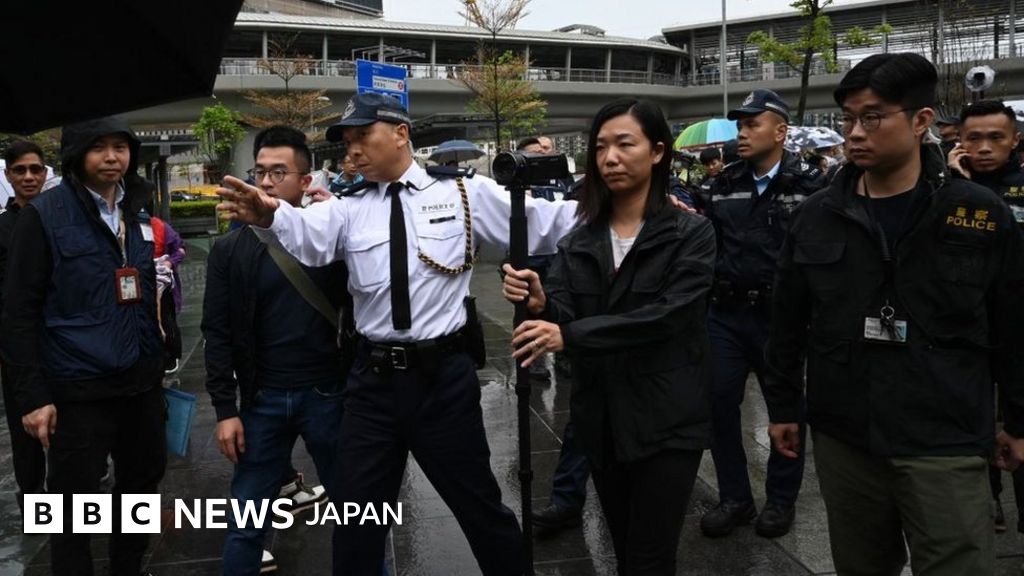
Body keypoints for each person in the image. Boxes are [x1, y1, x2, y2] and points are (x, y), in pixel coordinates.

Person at [216, 92, 579, 575]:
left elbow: (544, 223)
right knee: (356, 525)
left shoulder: (462, 192)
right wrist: (268, 215)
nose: (353, 150)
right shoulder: (346, 207)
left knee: (481, 510)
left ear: (401, 133)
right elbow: (306, 236)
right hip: (373, 387)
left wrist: (630, 207)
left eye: (363, 136)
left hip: (443, 381)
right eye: (347, 141)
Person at [765, 52, 1024, 575]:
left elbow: (1013, 323)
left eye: (872, 117)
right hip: (846, 433)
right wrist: (784, 406)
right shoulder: (817, 216)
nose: (855, 133)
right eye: (848, 119)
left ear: (921, 120)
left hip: (945, 434)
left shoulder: (977, 213)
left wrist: (1017, 419)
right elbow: (786, 320)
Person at [502, 98, 715, 575]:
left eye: (624, 144)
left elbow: (669, 316)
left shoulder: (690, 232)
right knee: (622, 547)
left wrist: (569, 333)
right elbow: (563, 311)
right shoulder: (580, 238)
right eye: (600, 147)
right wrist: (540, 303)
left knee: (650, 558)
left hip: (667, 419)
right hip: (601, 417)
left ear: (657, 152)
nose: (610, 158)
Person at [0, 117, 166, 576]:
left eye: (120, 147)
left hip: (140, 384)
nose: (112, 157)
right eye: (99, 147)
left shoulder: (136, 207)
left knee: (141, 488)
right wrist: (32, 397)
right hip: (77, 389)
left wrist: (157, 358)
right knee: (73, 507)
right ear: (77, 155)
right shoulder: (44, 215)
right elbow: (18, 313)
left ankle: (128, 567)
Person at [203, 125, 349, 576]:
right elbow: (217, 332)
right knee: (246, 521)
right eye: (260, 172)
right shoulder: (229, 250)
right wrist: (226, 410)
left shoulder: (331, 242)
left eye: (278, 173)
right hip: (262, 399)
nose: (265, 182)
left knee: (358, 514)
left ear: (305, 182)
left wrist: (341, 214)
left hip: (328, 396)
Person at [700, 89, 824, 540]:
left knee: (786, 409)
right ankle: (735, 497)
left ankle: (780, 500)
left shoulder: (809, 185)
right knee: (717, 404)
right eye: (740, 125)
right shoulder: (722, 183)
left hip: (781, 318)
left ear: (780, 131)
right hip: (726, 313)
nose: (743, 133)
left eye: (753, 124)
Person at [945, 98, 1024, 533]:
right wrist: (954, 185)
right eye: (973, 138)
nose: (985, 147)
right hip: (966, 328)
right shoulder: (944, 191)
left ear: (1015, 140)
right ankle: (987, 499)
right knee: (973, 420)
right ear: (959, 141)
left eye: (996, 137)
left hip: (1018, 327)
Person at [0, 140, 49, 515]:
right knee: (25, 429)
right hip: (16, 345)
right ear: (8, 175)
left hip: (62, 340)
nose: (29, 177)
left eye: (35, 169)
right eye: (20, 170)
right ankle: (34, 501)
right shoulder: (2, 227)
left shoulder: (57, 219)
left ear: (45, 173)